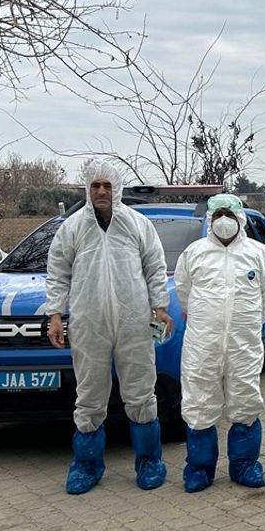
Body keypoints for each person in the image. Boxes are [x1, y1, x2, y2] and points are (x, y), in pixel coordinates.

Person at [45, 158, 172, 495]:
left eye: (107, 185)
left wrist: (160, 307)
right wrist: (55, 314)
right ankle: (87, 465)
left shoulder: (138, 224)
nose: (101, 191)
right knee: (89, 395)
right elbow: (58, 271)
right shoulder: (72, 228)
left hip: (133, 322)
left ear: (117, 189)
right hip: (89, 323)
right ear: (87, 189)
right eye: (95, 186)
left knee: (141, 392)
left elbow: (155, 268)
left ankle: (149, 461)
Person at [174, 194, 265, 493]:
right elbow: (184, 292)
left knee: (246, 402)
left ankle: (245, 465)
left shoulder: (258, 254)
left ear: (241, 218)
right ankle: (199, 468)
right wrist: (208, 321)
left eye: (229, 213)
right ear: (210, 218)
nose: (224, 219)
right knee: (199, 404)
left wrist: (245, 323)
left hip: (242, 345)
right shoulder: (194, 253)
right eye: (218, 213)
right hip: (202, 345)